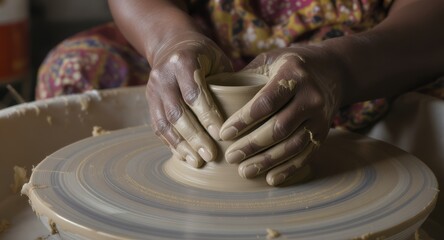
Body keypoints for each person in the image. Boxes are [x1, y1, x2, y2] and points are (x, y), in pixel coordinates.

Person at [36, 0, 444, 186]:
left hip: (372, 56)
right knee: (73, 70)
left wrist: (339, 69)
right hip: (211, 47)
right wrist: (167, 42)